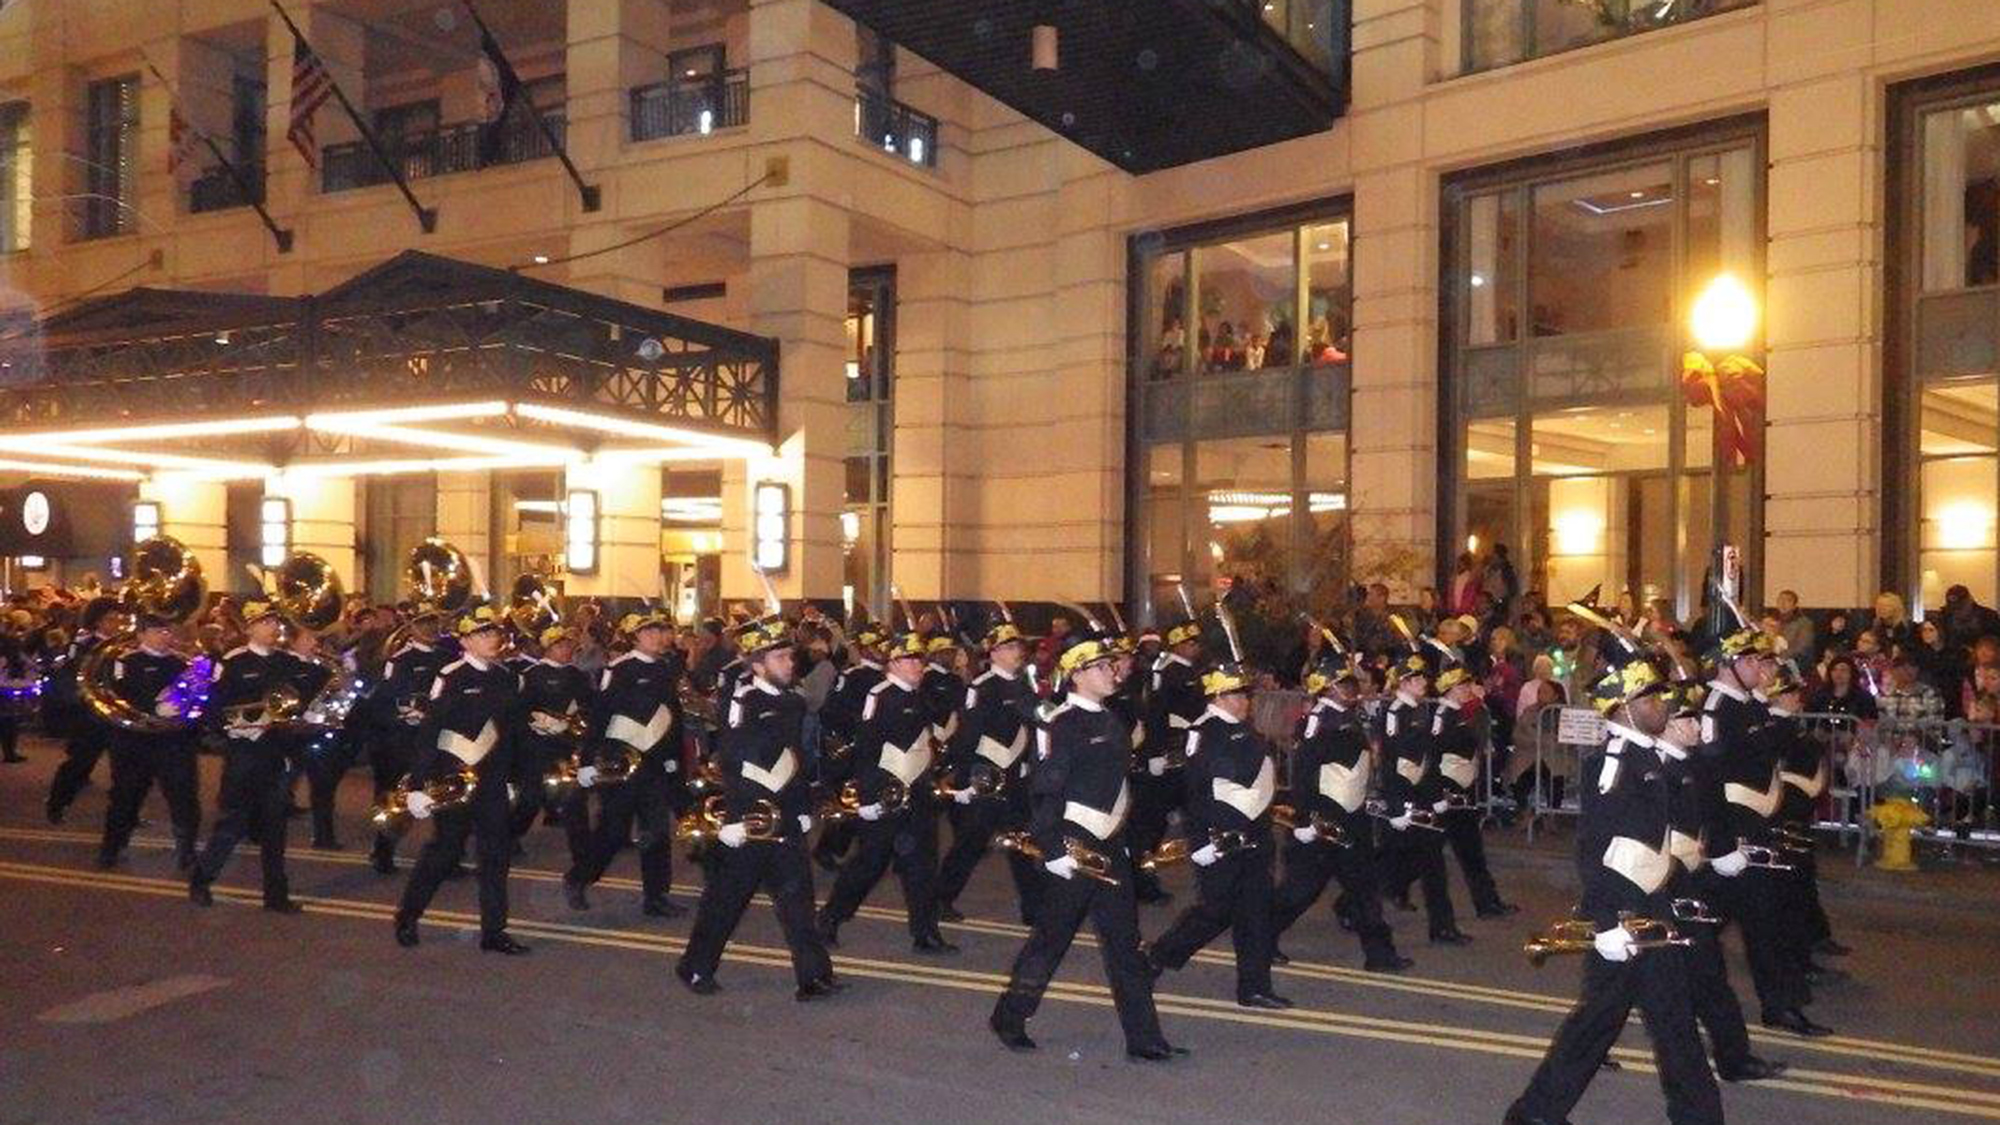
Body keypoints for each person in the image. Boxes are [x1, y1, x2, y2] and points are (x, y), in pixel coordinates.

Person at [1503, 658, 1725, 1125]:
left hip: (1650, 906)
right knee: (1623, 1021)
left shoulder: (1646, 757)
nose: (1660, 704)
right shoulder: (1613, 764)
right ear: (1625, 708)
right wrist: (1607, 925)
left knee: (1655, 1021)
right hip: (1624, 914)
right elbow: (1593, 851)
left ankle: (1536, 1113)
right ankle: (1535, 1113)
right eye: (1651, 697)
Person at [989, 637, 1182, 1061]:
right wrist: (1053, 848)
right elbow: (1044, 792)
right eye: (1099, 668)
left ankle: (1144, 1038)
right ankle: (1010, 1015)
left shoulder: (1111, 721)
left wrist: (1122, 843)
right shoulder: (1061, 724)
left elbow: (1116, 788)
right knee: (1052, 939)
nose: (1110, 673)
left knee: (1125, 944)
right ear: (1076, 674)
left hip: (1110, 846)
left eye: (1110, 666)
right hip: (1072, 845)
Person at [677, 620, 839, 999]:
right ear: (758, 665)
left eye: (789, 656)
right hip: (749, 817)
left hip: (784, 814)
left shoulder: (793, 701)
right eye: (780, 657)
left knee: (798, 899)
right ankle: (695, 966)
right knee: (727, 900)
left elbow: (794, 758)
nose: (789, 663)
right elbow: (732, 761)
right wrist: (733, 819)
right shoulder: (743, 702)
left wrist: (801, 805)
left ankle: (813, 977)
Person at [1701, 630, 1829, 1037]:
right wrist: (1721, 846)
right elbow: (1709, 784)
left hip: (1759, 826)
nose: (1763, 669)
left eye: (1763, 662)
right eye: (1754, 662)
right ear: (1729, 664)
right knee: (1710, 927)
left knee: (1763, 922)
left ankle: (1781, 1004)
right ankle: (1779, 1005)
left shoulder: (1748, 706)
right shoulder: (1717, 710)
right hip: (1734, 831)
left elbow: (1767, 752)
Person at [1145, 660, 1290, 1009]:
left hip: (1255, 835)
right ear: (1216, 696)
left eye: (1244, 694)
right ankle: (1157, 957)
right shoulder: (1203, 732)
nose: (1243, 701)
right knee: (1215, 911)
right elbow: (1196, 792)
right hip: (1220, 837)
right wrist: (1202, 842)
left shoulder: (1248, 730)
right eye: (1234, 695)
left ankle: (1254, 987)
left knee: (1256, 912)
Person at [391, 605, 530, 954]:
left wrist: (514, 777)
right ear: (466, 640)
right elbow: (430, 733)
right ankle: (408, 915)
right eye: (483, 633)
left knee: (496, 856)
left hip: (493, 782)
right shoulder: (451, 677)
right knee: (445, 851)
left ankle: (494, 931)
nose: (492, 638)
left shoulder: (507, 678)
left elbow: (511, 734)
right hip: (455, 779)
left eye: (494, 632)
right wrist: (419, 786)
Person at [1270, 653, 1411, 972]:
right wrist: (1303, 820)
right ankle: (1261, 939)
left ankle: (1380, 955)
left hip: (1352, 817)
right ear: (1328, 688)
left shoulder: (1351, 716)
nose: (1352, 688)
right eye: (1344, 683)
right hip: (1324, 818)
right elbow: (1304, 775)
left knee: (1365, 889)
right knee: (1300, 892)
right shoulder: (1318, 722)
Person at [817, 632, 955, 953]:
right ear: (892, 663)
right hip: (886, 796)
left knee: (923, 865)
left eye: (920, 659)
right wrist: (867, 800)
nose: (918, 665)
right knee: (869, 864)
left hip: (918, 796)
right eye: (910, 659)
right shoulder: (879, 696)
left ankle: (925, 932)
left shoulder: (921, 696)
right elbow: (866, 752)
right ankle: (831, 917)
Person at [563, 610, 685, 918]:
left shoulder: (666, 668)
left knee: (656, 832)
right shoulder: (618, 670)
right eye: (650, 631)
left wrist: (674, 758)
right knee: (613, 832)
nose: (658, 637)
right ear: (636, 637)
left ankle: (656, 896)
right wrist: (588, 761)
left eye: (661, 631)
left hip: (655, 765)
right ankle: (579, 877)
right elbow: (599, 719)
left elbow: (673, 718)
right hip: (622, 764)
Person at [187, 601, 305, 914]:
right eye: (266, 623)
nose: (273, 628)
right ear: (250, 627)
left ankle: (275, 896)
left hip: (276, 753)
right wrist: (237, 727)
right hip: (245, 752)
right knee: (232, 823)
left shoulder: (287, 661)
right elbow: (213, 707)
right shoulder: (234, 661)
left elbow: (300, 701)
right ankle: (201, 879)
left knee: (275, 827)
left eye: (275, 623)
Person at [935, 622, 1043, 926]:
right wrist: (967, 780)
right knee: (970, 842)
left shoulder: (1025, 686)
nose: (1017, 653)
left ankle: (1033, 907)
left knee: (1021, 842)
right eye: (1009, 647)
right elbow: (967, 737)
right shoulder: (982, 687)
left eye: (1018, 647)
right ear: (993, 653)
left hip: (1017, 777)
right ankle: (941, 898)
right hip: (987, 777)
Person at [97, 612, 201, 871]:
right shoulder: (125, 662)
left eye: (167, 631)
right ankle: (111, 847)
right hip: (136, 741)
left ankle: (186, 850)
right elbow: (118, 698)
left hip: (173, 741)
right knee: (125, 797)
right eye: (157, 631)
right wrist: (155, 707)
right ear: (141, 635)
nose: (164, 636)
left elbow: (197, 699)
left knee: (184, 798)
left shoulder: (182, 663)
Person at [1380, 654, 1468, 944]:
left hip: (1422, 798)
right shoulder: (1395, 713)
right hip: (1404, 800)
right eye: (1416, 679)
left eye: (1422, 678)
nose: (1423, 683)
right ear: (1402, 683)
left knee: (1426, 864)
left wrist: (1435, 797)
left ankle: (1441, 927)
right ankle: (1352, 905)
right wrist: (1396, 808)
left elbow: (1426, 760)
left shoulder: (1419, 710)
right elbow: (1393, 764)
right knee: (1401, 862)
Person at [1425, 660, 1516, 918]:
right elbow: (1431, 756)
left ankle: (1487, 902)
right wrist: (1436, 794)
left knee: (1471, 851)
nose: (1469, 688)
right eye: (1463, 685)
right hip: (1446, 792)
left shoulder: (1460, 714)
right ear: (1450, 688)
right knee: (1416, 856)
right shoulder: (1442, 716)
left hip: (1462, 792)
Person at [364, 609, 452, 874]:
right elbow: (385, 700)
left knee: (445, 794)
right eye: (424, 623)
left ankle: (447, 856)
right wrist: (404, 715)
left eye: (434, 622)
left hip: (435, 736)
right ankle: (383, 851)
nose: (430, 628)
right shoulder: (399, 659)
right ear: (412, 626)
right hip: (403, 738)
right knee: (394, 797)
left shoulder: (446, 658)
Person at [1134, 619, 1206, 904]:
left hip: (1189, 757)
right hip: (1168, 758)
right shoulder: (1165, 672)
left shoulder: (1191, 672)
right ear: (1177, 645)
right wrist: (1153, 754)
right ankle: (1142, 880)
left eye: (1196, 643)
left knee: (1200, 819)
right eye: (1190, 643)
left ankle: (1211, 884)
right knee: (1152, 825)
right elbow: (1155, 714)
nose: (1195, 647)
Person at [516, 626, 593, 858]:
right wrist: (537, 721)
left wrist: (579, 721)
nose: (567, 650)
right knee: (531, 797)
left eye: (570, 645)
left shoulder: (578, 675)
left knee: (575, 797)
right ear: (548, 648)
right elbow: (519, 710)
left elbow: (589, 705)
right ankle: (511, 835)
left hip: (567, 743)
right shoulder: (530, 675)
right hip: (537, 745)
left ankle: (582, 851)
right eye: (561, 645)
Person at [44, 595, 121, 824]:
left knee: (126, 770)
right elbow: (71, 676)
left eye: (119, 617)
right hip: (91, 715)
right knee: (79, 763)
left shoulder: (124, 645)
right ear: (97, 621)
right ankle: (57, 803)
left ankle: (127, 813)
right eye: (111, 618)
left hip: (118, 715)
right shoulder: (83, 646)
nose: (117, 622)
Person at [1809, 655, 1877, 720]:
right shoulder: (1820, 695)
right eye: (1834, 670)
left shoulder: (1864, 697)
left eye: (1843, 670)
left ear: (1851, 673)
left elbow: (1871, 720)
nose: (1838, 673)